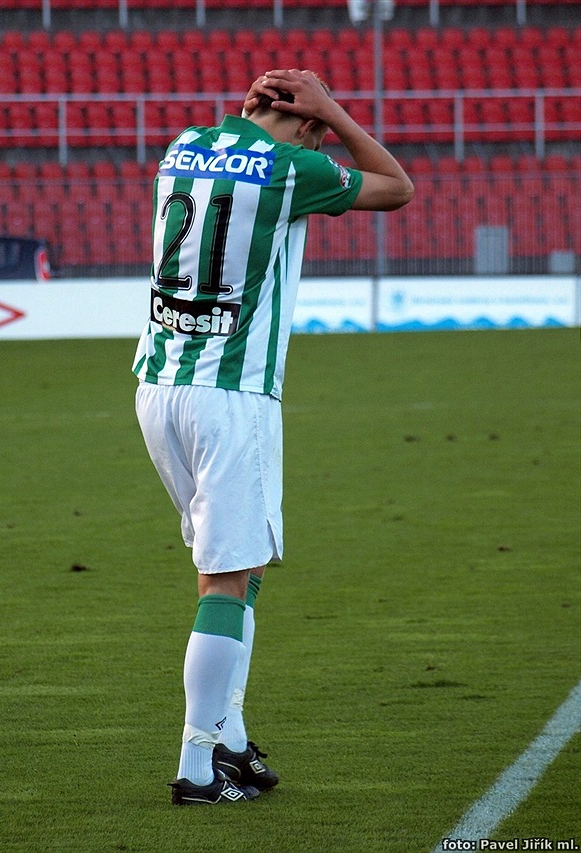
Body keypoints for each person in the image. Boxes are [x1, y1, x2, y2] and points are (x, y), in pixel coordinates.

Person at [132, 69, 414, 805]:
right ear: (310, 123)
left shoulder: (183, 146)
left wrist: (295, 111)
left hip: (157, 383)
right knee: (229, 576)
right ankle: (198, 767)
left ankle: (229, 736)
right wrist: (338, 112)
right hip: (232, 392)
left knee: (230, 563)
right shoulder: (298, 168)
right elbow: (396, 186)